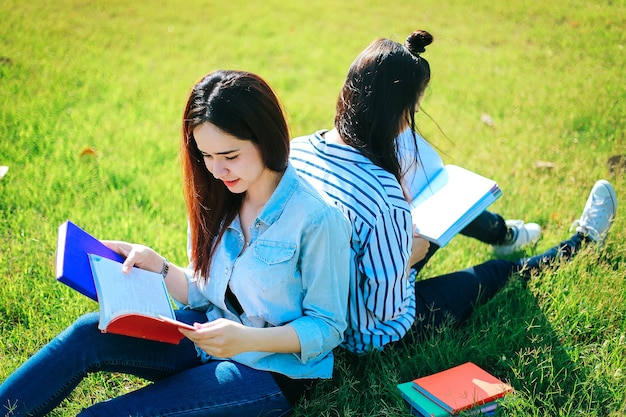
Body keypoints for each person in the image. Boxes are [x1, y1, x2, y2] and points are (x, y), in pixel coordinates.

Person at [0, 70, 351, 416]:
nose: (216, 171)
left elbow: (328, 326)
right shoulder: (219, 194)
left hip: (270, 370)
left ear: (266, 139)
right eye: (206, 156)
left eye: (229, 156)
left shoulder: (317, 218)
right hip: (205, 334)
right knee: (86, 335)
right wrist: (159, 266)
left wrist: (246, 339)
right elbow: (206, 292)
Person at [289, 29, 618, 353]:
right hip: (366, 335)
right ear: (396, 110)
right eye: (414, 107)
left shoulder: (297, 150)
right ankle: (581, 243)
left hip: (310, 311)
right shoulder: (384, 197)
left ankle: (504, 235)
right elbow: (385, 310)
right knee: (497, 273)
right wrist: (410, 255)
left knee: (449, 204)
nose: (416, 114)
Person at [396, 127, 542, 264]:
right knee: (497, 272)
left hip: (399, 256)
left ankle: (502, 234)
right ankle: (503, 236)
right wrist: (408, 261)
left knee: (446, 198)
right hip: (398, 270)